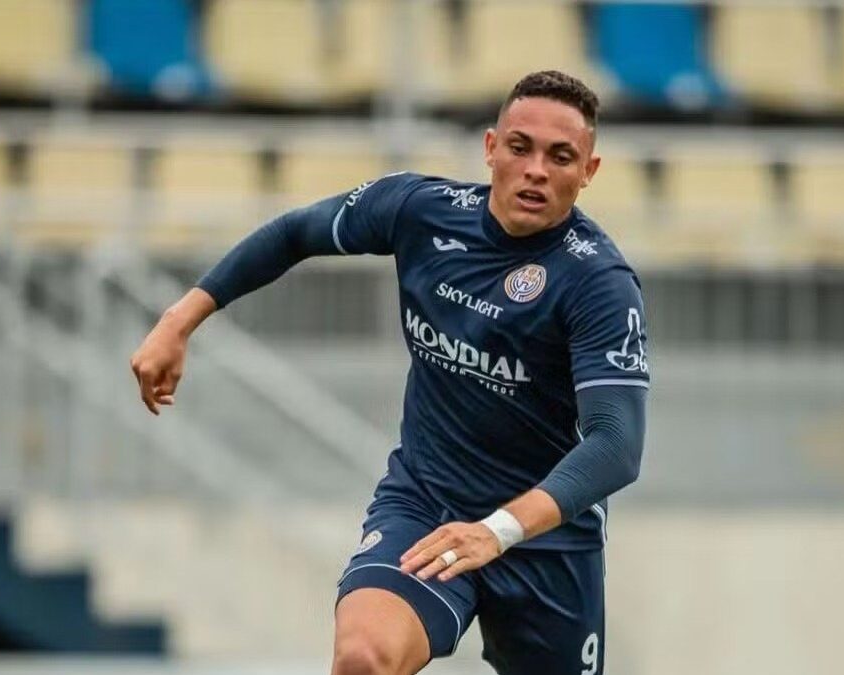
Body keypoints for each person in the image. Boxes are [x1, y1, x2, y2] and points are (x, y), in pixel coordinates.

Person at [130, 70, 649, 675]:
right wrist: (179, 319)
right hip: (428, 505)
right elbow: (296, 233)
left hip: (544, 538)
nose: (536, 170)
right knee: (363, 659)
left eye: (560, 157)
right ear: (490, 148)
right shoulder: (420, 211)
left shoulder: (599, 283)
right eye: (519, 147)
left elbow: (616, 446)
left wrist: (497, 530)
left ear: (588, 171)